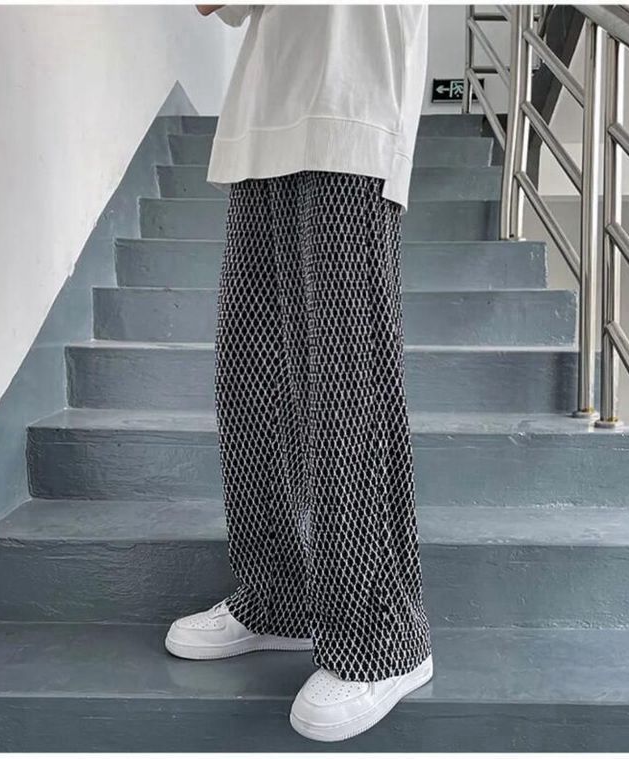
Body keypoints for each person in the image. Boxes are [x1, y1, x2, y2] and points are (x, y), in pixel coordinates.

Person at [165, 4, 432, 743]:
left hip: (354, 104)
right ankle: (278, 595)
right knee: (251, 379)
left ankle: (384, 637)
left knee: (347, 386)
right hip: (263, 118)